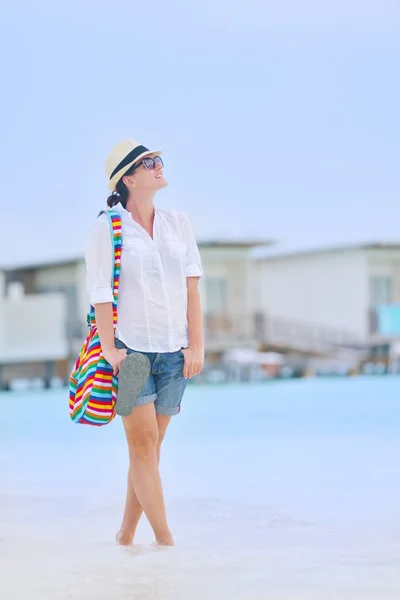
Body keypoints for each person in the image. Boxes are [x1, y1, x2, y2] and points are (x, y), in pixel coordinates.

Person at [85, 139, 204, 546]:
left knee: (150, 451)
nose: (158, 166)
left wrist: (197, 346)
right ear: (129, 178)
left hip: (175, 353)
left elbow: (192, 289)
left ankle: (125, 535)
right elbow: (100, 292)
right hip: (131, 355)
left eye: (158, 160)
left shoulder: (178, 224)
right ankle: (167, 543)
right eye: (148, 162)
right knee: (141, 443)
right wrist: (110, 350)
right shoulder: (107, 227)